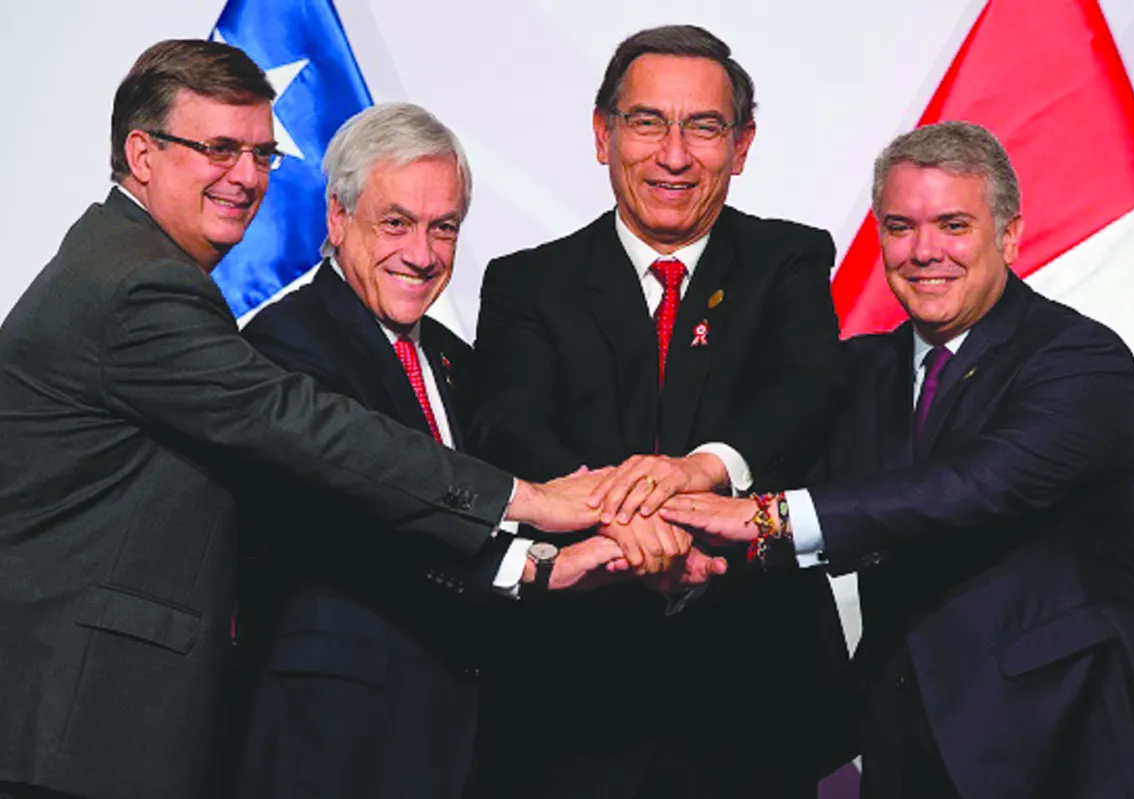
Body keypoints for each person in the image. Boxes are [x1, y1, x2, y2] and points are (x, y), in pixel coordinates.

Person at [0, 40, 680, 799]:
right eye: (219, 149)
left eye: (262, 154)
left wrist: (639, 524)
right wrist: (534, 512)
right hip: (92, 721)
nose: (247, 176)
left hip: (125, 720)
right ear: (142, 153)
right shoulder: (143, 287)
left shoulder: (446, 356)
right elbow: (311, 437)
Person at [232, 103, 719, 799]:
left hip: (468, 741)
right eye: (395, 222)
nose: (422, 253)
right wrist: (536, 566)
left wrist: (630, 549)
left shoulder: (456, 360)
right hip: (337, 739)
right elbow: (358, 519)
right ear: (337, 218)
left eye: (444, 227)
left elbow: (504, 507)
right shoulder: (284, 347)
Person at [662, 120, 1134, 799]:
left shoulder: (1081, 360)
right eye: (900, 227)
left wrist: (765, 519)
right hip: (899, 741)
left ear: (1008, 236)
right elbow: (781, 475)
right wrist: (668, 535)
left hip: (1056, 737)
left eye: (953, 225)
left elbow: (970, 487)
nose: (923, 252)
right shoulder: (858, 370)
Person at [471, 24, 849, 799]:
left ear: (741, 145)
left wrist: (699, 471)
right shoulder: (526, 282)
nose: (673, 155)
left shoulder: (791, 260)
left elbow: (805, 395)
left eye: (703, 127)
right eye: (647, 122)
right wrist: (626, 522)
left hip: (752, 701)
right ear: (602, 134)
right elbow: (508, 424)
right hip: (567, 706)